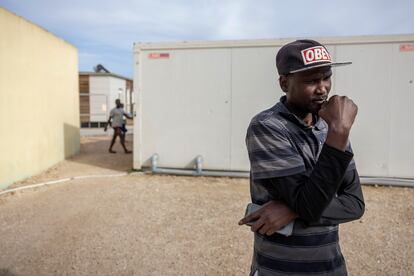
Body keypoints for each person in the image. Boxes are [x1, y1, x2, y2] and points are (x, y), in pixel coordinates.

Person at [238, 39, 365, 276]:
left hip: (332, 268)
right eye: (311, 80)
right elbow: (309, 203)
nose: (323, 88)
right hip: (279, 269)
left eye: (326, 77)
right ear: (284, 82)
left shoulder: (332, 129)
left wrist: (292, 210)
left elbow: (355, 204)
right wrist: (339, 133)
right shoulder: (268, 127)